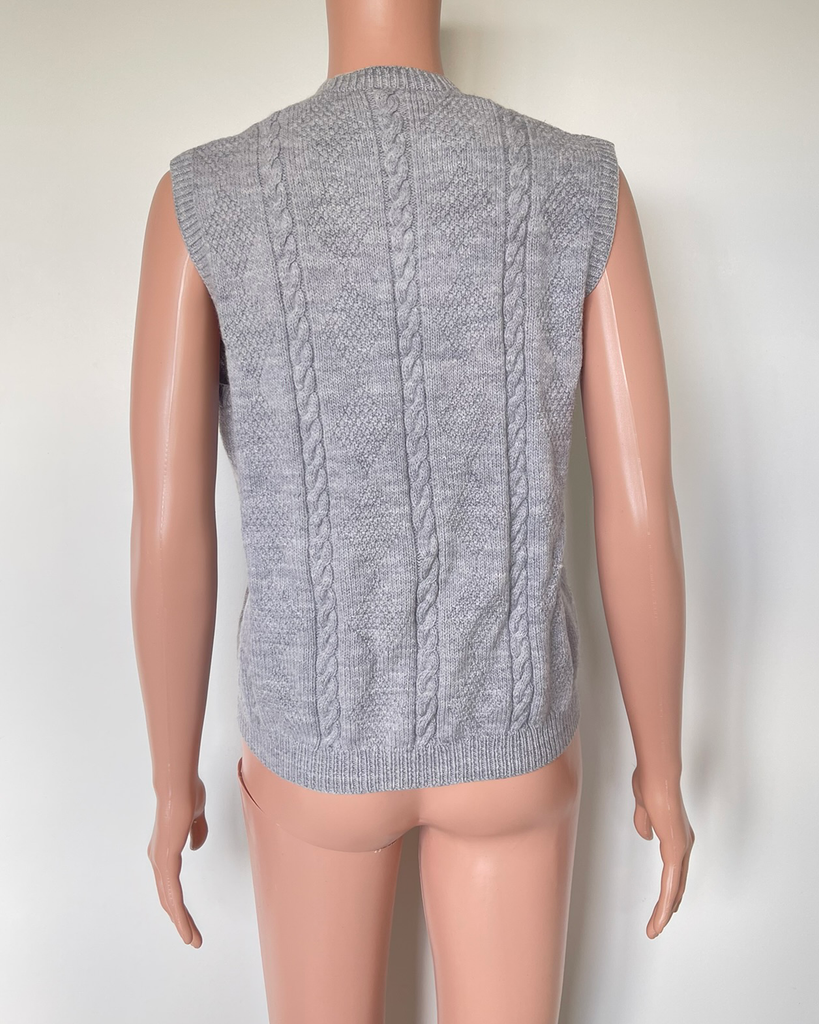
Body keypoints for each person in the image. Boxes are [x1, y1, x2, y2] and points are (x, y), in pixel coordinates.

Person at [130, 2, 694, 1021]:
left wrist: (173, 782)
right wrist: (663, 762)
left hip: (314, 747)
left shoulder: (204, 198)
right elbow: (642, 505)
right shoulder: (578, 186)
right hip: (512, 738)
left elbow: (168, 523)